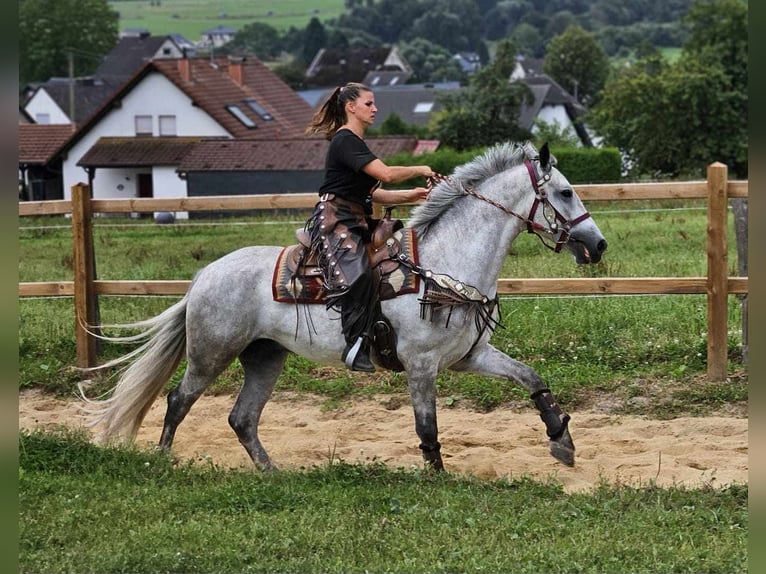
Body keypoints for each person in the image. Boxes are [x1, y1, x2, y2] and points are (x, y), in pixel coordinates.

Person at [304, 82, 434, 372]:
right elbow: (386, 174)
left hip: (356, 218)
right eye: (368, 104)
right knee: (359, 272)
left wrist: (412, 195)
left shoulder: (356, 143)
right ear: (351, 107)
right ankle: (355, 344)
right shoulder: (345, 140)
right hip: (335, 219)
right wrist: (420, 169)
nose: (375, 109)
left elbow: (373, 194)